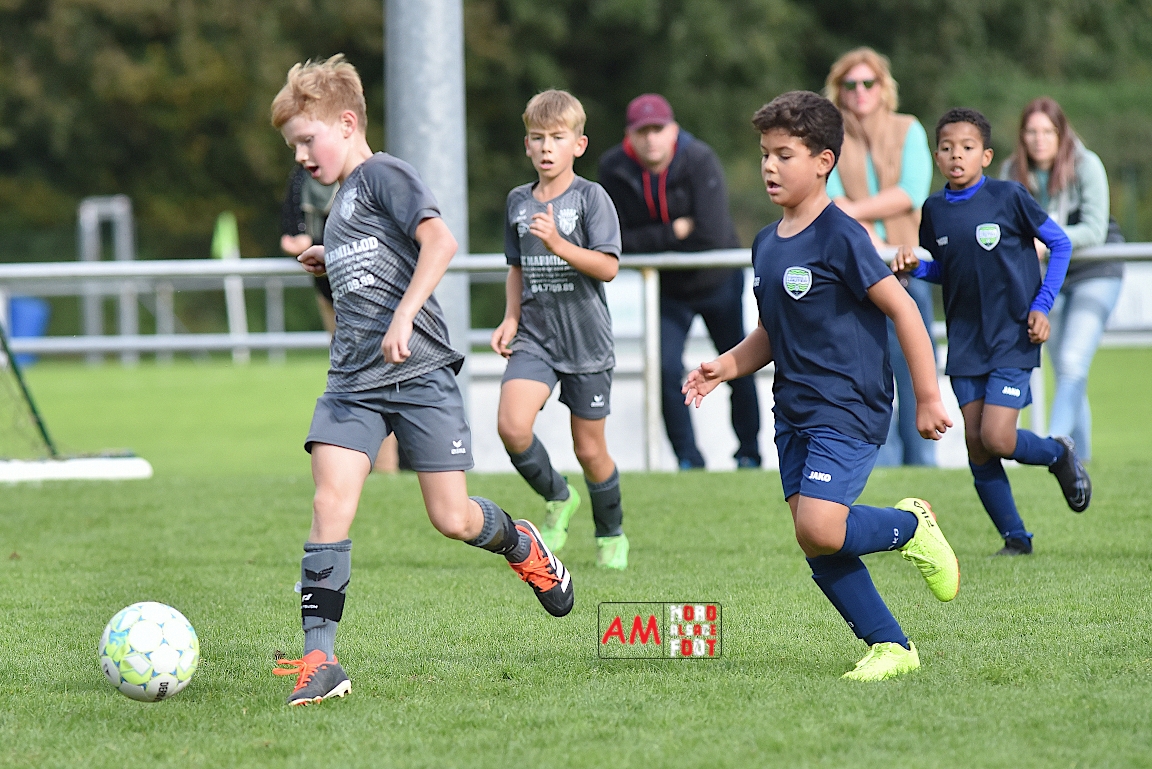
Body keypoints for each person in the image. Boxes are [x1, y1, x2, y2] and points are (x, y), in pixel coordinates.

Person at [268, 55, 574, 706]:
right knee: (329, 503)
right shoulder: (341, 203)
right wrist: (329, 257)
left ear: (346, 124)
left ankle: (522, 542)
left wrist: (405, 314)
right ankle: (321, 659)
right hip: (352, 380)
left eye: (306, 140)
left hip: (419, 372)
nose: (299, 156)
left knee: (451, 517)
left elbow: (440, 242)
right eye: (293, 145)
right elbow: (374, 259)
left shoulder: (384, 174)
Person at [684, 91, 958, 681]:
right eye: (765, 154)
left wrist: (928, 395)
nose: (769, 166)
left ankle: (912, 527)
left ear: (823, 161)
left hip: (850, 404)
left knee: (819, 525)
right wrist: (726, 366)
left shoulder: (842, 235)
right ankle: (892, 646)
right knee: (814, 538)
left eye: (784, 155)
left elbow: (905, 311)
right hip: (793, 409)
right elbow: (771, 331)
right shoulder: (765, 242)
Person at [894, 108, 1092, 557]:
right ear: (937, 157)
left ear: (985, 156)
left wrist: (1041, 306)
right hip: (965, 342)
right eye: (947, 148)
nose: (956, 156)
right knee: (977, 446)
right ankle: (1016, 540)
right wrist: (915, 267)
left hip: (1012, 336)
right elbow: (947, 269)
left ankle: (1058, 453)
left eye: (966, 148)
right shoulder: (934, 210)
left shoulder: (1009, 196)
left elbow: (1060, 243)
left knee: (998, 437)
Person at [491, 90, 629, 570]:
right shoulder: (517, 201)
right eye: (537, 137)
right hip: (536, 337)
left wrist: (558, 243)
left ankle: (611, 533)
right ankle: (558, 496)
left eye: (557, 137)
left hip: (586, 341)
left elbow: (608, 267)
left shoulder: (591, 197)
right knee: (512, 426)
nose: (546, 146)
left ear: (579, 144)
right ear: (526, 145)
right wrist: (511, 317)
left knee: (589, 450)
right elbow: (516, 267)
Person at [598, 94, 761, 470]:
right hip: (667, 289)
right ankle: (688, 459)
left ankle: (749, 453)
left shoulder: (699, 158)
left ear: (673, 130)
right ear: (629, 136)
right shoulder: (613, 167)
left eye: (658, 129)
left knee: (737, 366)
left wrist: (652, 239)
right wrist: (675, 231)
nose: (651, 138)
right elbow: (615, 240)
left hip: (718, 281)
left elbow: (710, 234)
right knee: (665, 369)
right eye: (643, 131)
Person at [823, 47, 937, 467]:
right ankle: (879, 465)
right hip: (856, 272)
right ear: (838, 89)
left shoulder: (909, 128)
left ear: (883, 86)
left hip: (909, 267)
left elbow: (911, 192)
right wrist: (863, 230)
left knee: (916, 370)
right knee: (869, 372)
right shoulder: (829, 136)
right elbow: (828, 197)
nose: (860, 91)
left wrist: (854, 215)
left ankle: (923, 463)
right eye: (850, 84)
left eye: (868, 82)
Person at [1000, 97, 1123, 462]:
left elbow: (1094, 230)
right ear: (1022, 136)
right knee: (1067, 371)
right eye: (1031, 132)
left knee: (1072, 361)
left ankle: (1053, 448)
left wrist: (1048, 239)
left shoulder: (1086, 164)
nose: (1039, 139)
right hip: (1047, 277)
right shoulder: (1011, 171)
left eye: (1047, 131)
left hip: (1094, 270)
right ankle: (1079, 463)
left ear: (1061, 134)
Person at [280, 163, 400, 474]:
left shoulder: (370, 178)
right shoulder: (303, 176)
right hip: (331, 294)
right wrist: (302, 241)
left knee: (379, 379)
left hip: (372, 300)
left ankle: (386, 468)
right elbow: (294, 224)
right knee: (349, 377)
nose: (303, 156)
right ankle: (358, 468)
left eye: (308, 142)